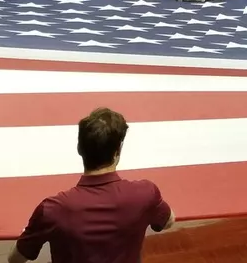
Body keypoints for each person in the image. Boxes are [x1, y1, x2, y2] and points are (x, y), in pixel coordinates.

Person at [9, 107, 174, 263]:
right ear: (117, 152)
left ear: (79, 148)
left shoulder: (52, 210)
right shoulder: (145, 194)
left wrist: (28, 231)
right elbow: (168, 221)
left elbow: (15, 258)